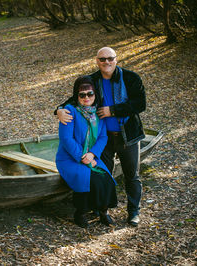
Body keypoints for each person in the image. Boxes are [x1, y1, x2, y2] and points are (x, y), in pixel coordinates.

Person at [55, 47, 146, 227]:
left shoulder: (130, 78)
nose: (107, 62)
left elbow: (140, 104)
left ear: (116, 59)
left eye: (110, 58)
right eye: (102, 59)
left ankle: (133, 211)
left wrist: (112, 110)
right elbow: (77, 97)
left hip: (128, 135)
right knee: (105, 172)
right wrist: (58, 110)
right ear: (97, 61)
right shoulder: (94, 80)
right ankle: (101, 209)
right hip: (105, 139)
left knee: (131, 175)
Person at [56, 75, 118, 228]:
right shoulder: (69, 111)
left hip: (91, 155)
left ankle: (103, 211)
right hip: (70, 158)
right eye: (81, 94)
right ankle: (81, 212)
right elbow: (66, 139)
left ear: (95, 94)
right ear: (76, 96)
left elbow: (103, 137)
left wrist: (92, 155)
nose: (86, 97)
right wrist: (82, 156)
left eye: (90, 93)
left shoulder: (99, 113)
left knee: (106, 178)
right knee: (87, 179)